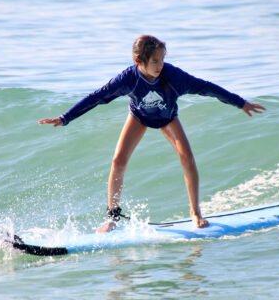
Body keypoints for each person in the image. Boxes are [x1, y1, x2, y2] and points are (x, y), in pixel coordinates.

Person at [39, 35, 266, 233]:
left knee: (187, 157)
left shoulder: (173, 76)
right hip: (139, 117)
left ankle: (195, 212)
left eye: (162, 59)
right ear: (139, 61)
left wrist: (240, 103)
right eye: (155, 61)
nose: (160, 65)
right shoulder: (127, 78)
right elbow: (97, 96)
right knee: (118, 160)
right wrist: (66, 117)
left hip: (168, 118)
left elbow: (206, 87)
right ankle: (112, 218)